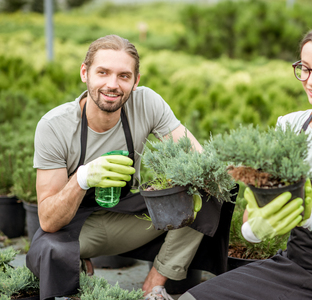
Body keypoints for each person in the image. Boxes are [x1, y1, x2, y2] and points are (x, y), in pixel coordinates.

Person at [180, 22, 312, 300]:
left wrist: (310, 218)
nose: (311, 80)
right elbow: (259, 204)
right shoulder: (290, 126)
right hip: (291, 264)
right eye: (304, 68)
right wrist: (255, 225)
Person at [26, 34, 236, 300]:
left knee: (206, 192)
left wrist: (234, 171)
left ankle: (155, 284)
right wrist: (82, 177)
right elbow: (47, 218)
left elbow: (199, 160)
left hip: (126, 216)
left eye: (123, 76)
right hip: (77, 226)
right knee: (49, 250)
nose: (112, 85)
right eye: (102, 72)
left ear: (136, 81)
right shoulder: (54, 126)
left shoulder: (146, 103)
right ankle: (74, 271)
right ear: (85, 73)